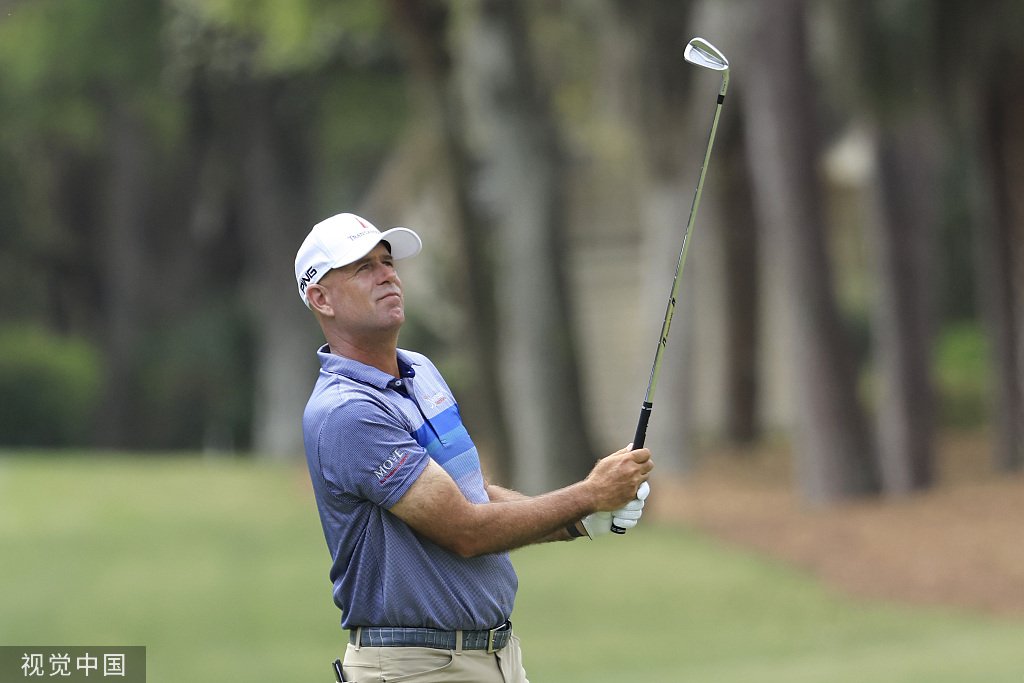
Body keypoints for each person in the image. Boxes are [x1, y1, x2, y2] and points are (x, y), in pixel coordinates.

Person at [296, 212, 653, 683]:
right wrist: (589, 494)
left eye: (387, 262)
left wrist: (577, 521)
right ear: (320, 298)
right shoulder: (346, 412)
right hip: (416, 668)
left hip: (495, 658)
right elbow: (464, 529)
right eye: (363, 267)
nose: (387, 275)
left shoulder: (421, 371)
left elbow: (471, 495)